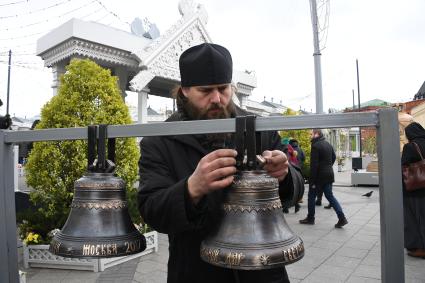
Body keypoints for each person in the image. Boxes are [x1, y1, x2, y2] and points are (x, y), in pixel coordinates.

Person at [138, 43, 304, 283]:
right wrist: (192, 188)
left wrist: (285, 176)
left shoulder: (259, 130)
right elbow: (151, 210)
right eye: (205, 91)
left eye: (223, 89)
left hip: (264, 271)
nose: (217, 99)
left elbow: (295, 190)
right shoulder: (160, 141)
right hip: (195, 272)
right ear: (184, 90)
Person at [299, 129, 348, 228]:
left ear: (316, 134)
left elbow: (314, 165)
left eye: (311, 134)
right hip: (329, 174)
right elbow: (333, 157)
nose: (310, 136)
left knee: (311, 196)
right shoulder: (328, 144)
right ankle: (342, 217)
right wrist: (327, 166)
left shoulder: (316, 146)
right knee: (330, 196)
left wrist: (311, 180)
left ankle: (310, 218)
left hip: (319, 177)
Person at [401, 122, 425, 258]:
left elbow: (403, 166)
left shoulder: (410, 147)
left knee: (415, 218)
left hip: (415, 189)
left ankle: (419, 248)